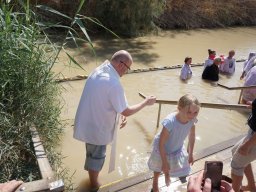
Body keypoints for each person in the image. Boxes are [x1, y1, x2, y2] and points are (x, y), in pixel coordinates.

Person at [73, 50, 156, 191]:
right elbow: (126, 110)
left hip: (88, 122)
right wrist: (145, 102)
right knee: (96, 157)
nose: (126, 72)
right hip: (97, 128)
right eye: (128, 68)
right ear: (121, 64)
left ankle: (92, 180)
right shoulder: (113, 82)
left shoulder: (100, 70)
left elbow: (106, 99)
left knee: (92, 154)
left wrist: (120, 114)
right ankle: (93, 185)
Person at [147, 94, 200, 192]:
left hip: (177, 145)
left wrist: (191, 153)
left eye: (195, 112)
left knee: (170, 165)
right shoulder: (170, 122)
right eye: (189, 112)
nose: (192, 115)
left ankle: (167, 174)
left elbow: (192, 135)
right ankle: (155, 181)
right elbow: (161, 144)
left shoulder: (192, 120)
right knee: (160, 166)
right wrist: (164, 161)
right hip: (162, 147)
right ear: (179, 108)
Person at [231, 99, 256, 192]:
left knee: (237, 164)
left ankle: (234, 190)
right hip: (252, 132)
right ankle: (252, 187)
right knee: (235, 151)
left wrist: (248, 144)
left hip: (254, 137)